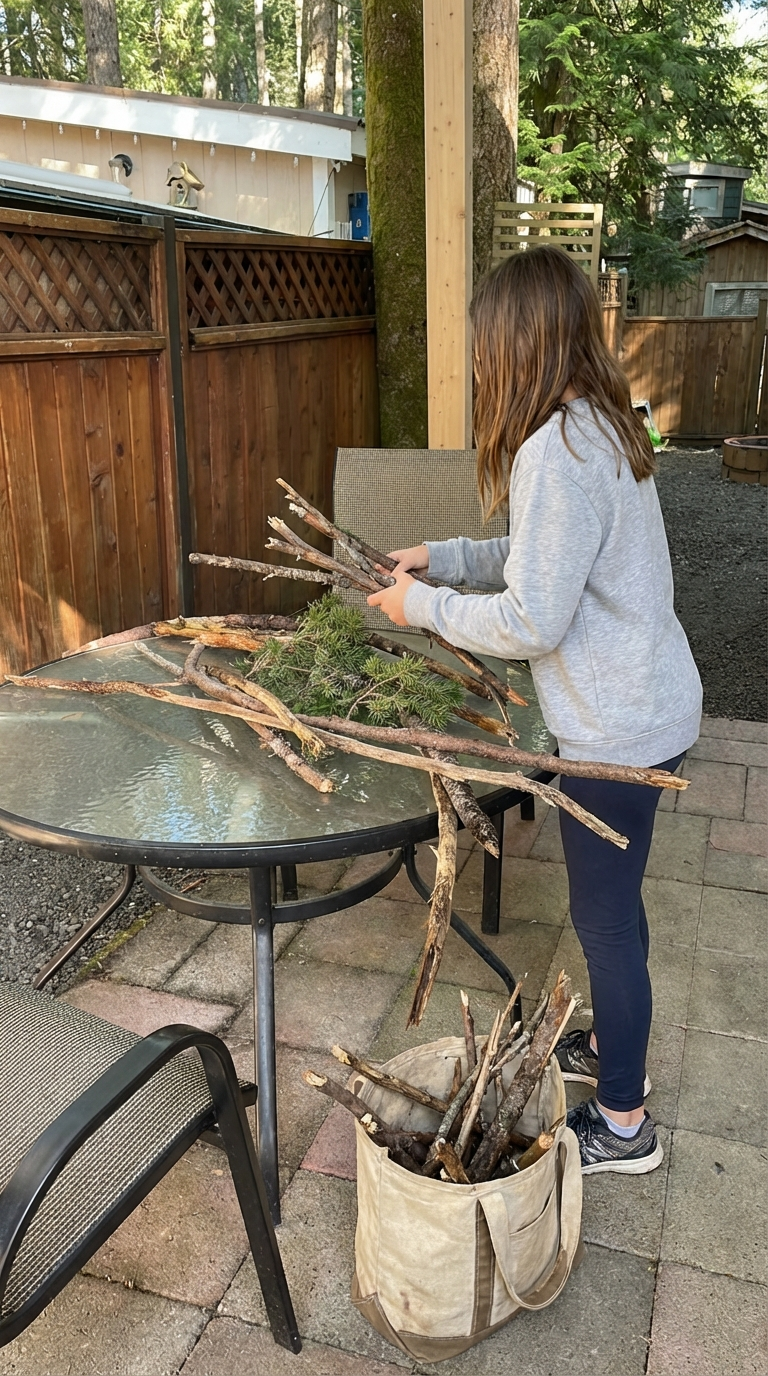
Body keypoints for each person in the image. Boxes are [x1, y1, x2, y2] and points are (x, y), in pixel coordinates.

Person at [367, 245, 702, 1175]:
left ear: (517, 344)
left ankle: (626, 1127)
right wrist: (443, 556)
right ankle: (612, 1053)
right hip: (649, 709)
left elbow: (530, 616)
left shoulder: (558, 448)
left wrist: (418, 609)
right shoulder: (598, 425)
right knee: (618, 907)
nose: (481, 363)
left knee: (601, 922)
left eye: (486, 344)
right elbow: (538, 557)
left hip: (617, 732)